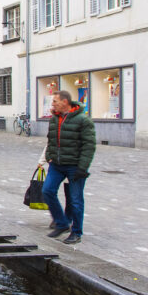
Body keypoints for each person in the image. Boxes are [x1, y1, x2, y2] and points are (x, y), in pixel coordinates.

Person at [42, 90, 96, 245]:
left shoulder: (83, 120)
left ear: (65, 102)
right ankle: (62, 223)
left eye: (55, 101)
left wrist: (82, 168)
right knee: (47, 190)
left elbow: (89, 145)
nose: (53, 104)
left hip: (74, 166)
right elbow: (51, 140)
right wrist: (49, 156)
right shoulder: (55, 119)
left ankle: (76, 232)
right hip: (57, 164)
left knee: (75, 200)